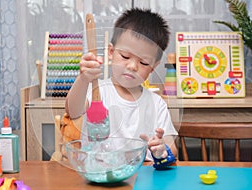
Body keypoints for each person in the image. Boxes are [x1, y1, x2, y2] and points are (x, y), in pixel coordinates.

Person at [65, 8, 178, 169]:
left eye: (144, 63)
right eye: (125, 56)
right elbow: (73, 110)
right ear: (111, 52)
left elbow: (171, 149)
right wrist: (83, 78)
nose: (132, 66)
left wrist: (161, 150)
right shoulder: (98, 91)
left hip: (142, 179)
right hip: (98, 176)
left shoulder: (156, 104)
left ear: (153, 67)